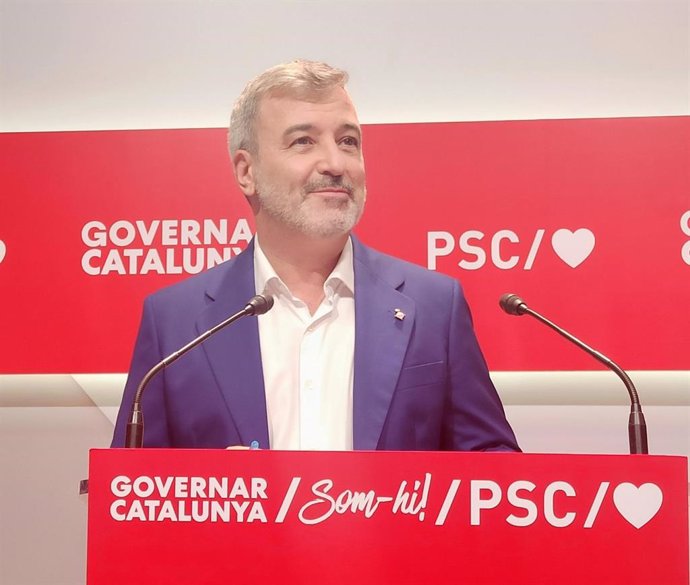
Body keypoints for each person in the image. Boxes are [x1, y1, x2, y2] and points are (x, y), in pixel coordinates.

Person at [111, 60, 519, 452]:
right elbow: (133, 495)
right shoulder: (175, 323)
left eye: (348, 141)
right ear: (246, 172)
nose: (335, 163)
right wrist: (215, 491)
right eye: (303, 141)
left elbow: (492, 465)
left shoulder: (433, 306)